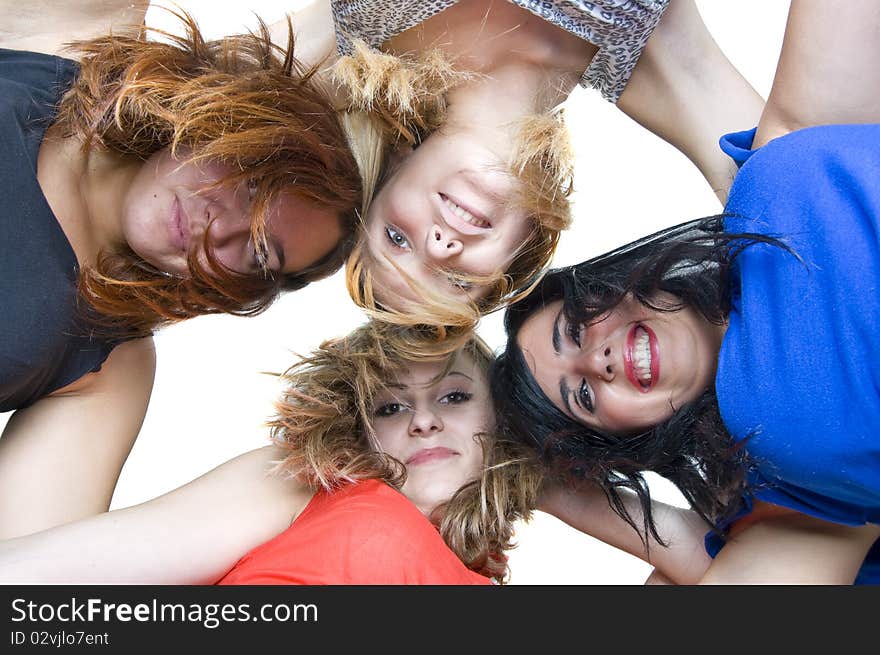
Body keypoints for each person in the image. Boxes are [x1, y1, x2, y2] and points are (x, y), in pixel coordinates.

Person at [492, 1, 880, 583]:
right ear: (628, 442)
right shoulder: (789, 488)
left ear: (609, 287)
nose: (595, 359)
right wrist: (549, 488)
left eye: (573, 329)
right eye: (583, 399)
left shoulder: (772, 173)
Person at [0, 3, 367, 540]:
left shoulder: (105, 362)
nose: (219, 229)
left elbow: (24, 582)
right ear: (223, 121)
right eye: (248, 184)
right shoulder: (70, 47)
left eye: (258, 252)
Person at [328, 0, 765, 330]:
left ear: (389, 169)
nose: (441, 248)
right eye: (458, 282)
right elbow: (795, 194)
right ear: (522, 248)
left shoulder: (370, 19)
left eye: (396, 238)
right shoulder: (652, 63)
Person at [0, 322, 542, 584]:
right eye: (390, 409)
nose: (424, 420)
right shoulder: (313, 485)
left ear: (501, 416)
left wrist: (557, 479)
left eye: (454, 396)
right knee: (113, 348)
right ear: (359, 431)